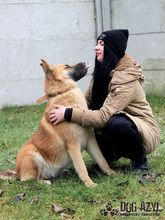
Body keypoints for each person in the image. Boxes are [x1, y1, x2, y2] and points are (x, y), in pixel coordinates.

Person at [49, 29, 160, 172]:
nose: (96, 47)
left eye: (101, 44)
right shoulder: (101, 71)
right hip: (110, 126)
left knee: (116, 122)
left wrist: (69, 113)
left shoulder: (126, 78)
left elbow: (103, 117)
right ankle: (106, 158)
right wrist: (68, 84)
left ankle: (140, 162)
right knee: (86, 119)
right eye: (97, 43)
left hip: (142, 132)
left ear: (111, 49)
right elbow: (87, 104)